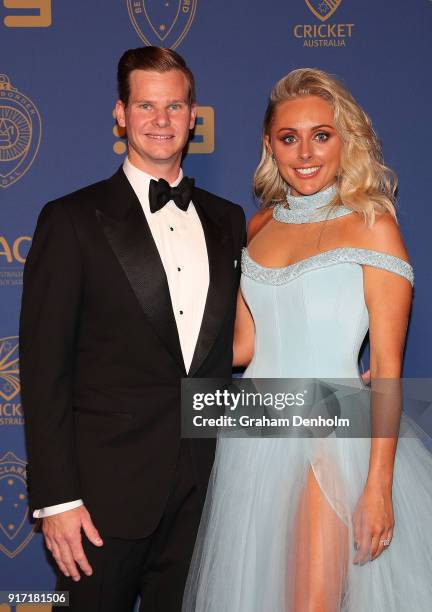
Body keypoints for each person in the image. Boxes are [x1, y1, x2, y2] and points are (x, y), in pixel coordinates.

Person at [182, 69, 432, 611]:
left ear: (347, 138)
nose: (305, 154)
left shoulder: (372, 224)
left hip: (331, 432)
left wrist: (377, 486)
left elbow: (387, 365)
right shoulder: (259, 226)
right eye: (289, 138)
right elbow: (242, 347)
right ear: (270, 146)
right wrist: (148, 338)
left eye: (321, 135)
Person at [19, 46, 245, 612]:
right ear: (121, 113)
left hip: (204, 493)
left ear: (194, 114)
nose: (161, 121)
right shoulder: (70, 219)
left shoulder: (228, 220)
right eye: (146, 105)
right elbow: (45, 371)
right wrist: (57, 500)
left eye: (174, 106)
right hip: (100, 502)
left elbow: (235, 346)